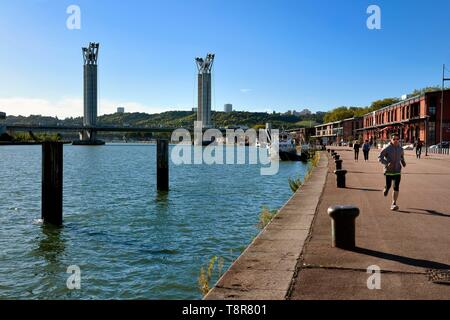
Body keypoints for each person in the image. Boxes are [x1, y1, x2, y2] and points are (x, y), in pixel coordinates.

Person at [378, 133, 406, 211]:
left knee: (396, 187)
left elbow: (401, 156)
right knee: (389, 185)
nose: (396, 140)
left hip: (397, 170)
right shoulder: (386, 148)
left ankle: (394, 203)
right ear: (391, 139)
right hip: (388, 171)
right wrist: (386, 163)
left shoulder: (401, 149)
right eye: (394, 139)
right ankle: (386, 189)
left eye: (397, 139)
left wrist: (403, 162)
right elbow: (379, 158)